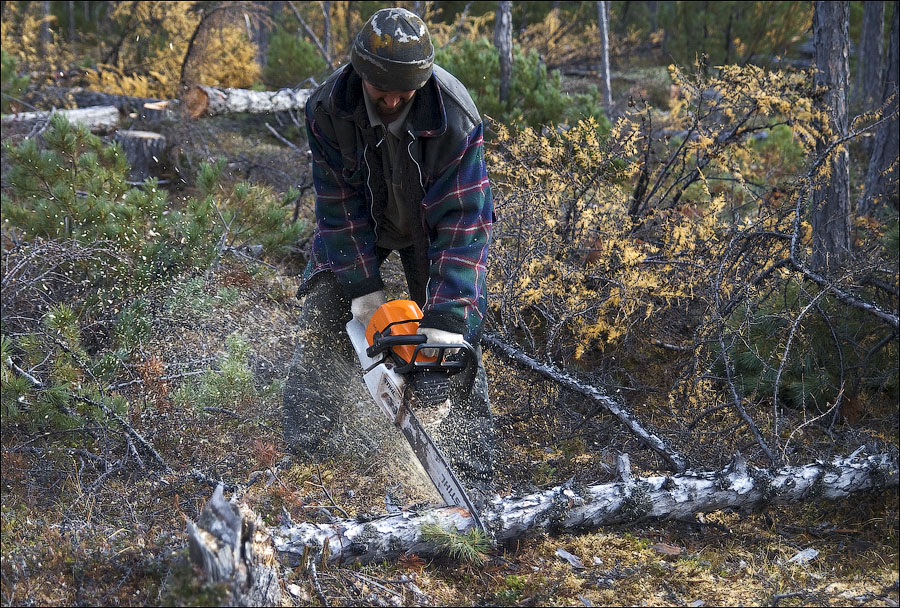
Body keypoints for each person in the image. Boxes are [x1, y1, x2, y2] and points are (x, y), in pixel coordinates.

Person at [283, 7, 494, 504]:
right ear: (362, 74)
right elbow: (338, 209)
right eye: (384, 90)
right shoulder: (328, 109)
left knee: (458, 338)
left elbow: (464, 223)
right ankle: (305, 447)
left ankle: (472, 471)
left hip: (431, 227)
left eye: (406, 91)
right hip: (365, 223)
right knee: (324, 313)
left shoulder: (453, 117)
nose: (395, 99)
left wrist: (444, 324)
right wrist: (363, 294)